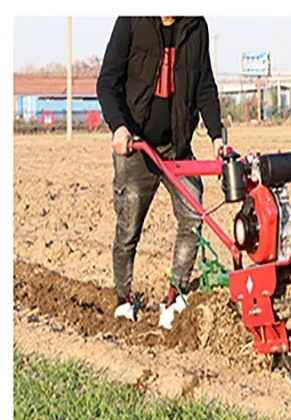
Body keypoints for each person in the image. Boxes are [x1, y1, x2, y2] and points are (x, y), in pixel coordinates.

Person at [96, 16, 224, 330]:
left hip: (176, 146)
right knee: (128, 228)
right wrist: (119, 127)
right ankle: (124, 300)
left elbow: (205, 87)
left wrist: (217, 137)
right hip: (136, 146)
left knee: (193, 217)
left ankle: (175, 295)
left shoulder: (196, 26)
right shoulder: (132, 20)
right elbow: (107, 82)